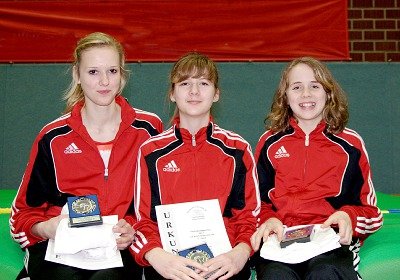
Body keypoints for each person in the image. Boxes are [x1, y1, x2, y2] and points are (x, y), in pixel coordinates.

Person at [9, 32, 163, 279]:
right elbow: (22, 215)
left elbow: (159, 204)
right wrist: (48, 228)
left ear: (122, 75)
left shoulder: (148, 130)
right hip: (60, 250)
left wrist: (132, 228)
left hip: (118, 248)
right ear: (77, 75)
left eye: (112, 71)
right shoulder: (53, 137)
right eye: (93, 72)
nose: (104, 81)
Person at [129, 52, 260, 280]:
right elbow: (142, 220)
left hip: (224, 263)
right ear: (172, 93)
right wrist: (156, 255)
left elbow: (249, 217)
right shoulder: (151, 152)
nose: (194, 91)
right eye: (185, 83)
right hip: (169, 265)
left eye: (204, 83)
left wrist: (240, 253)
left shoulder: (237, 150)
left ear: (216, 93)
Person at [250, 56, 383, 280]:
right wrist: (268, 220)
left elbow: (371, 213)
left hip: (330, 243)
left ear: (328, 93)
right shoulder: (269, 143)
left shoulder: (351, 144)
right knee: (276, 277)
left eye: (314, 86)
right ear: (285, 96)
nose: (306, 94)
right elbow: (255, 204)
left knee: (325, 274)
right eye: (297, 87)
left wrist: (348, 217)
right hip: (280, 242)